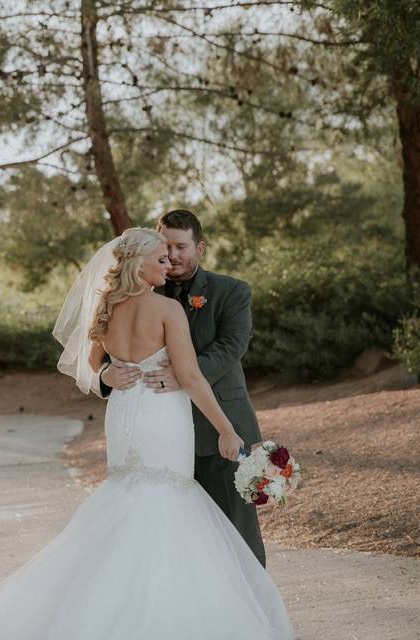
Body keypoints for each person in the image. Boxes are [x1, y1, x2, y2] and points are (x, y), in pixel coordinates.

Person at [0, 227, 296, 640]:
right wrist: (227, 430)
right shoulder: (166, 310)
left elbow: (90, 364)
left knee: (130, 497)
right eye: (159, 259)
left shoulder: (107, 307)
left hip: (125, 414)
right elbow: (191, 376)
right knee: (166, 500)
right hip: (159, 414)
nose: (167, 265)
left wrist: (107, 371)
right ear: (138, 265)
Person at [99, 209, 268, 567]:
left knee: (237, 533)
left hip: (212, 426)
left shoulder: (231, 291)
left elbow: (231, 347)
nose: (172, 257)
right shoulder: (146, 294)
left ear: (200, 248)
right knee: (170, 534)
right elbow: (99, 359)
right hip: (158, 431)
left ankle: (249, 612)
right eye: (165, 249)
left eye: (180, 247)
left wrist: (182, 373)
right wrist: (105, 377)